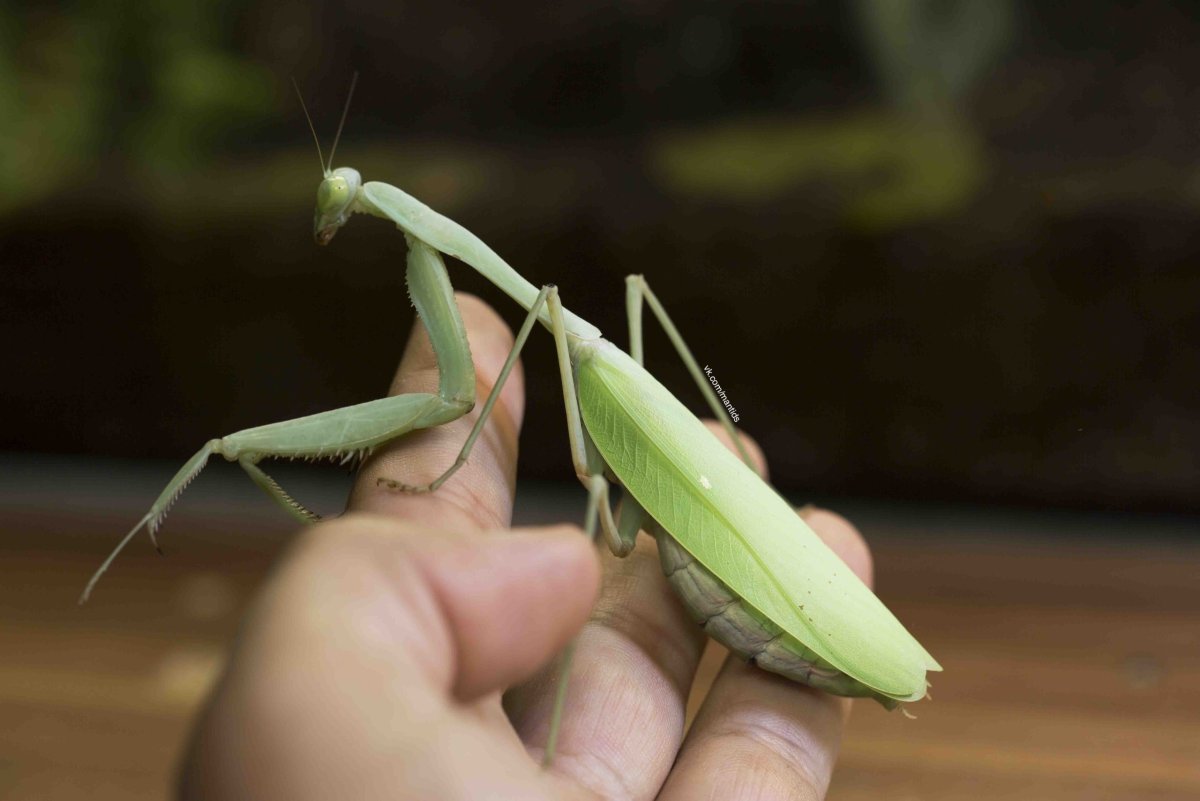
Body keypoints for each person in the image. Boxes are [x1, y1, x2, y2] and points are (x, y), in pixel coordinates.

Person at [179, 295, 874, 800]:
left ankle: (547, 749)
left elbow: (594, 499)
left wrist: (449, 473)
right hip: (682, 524)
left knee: (595, 524)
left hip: (708, 547)